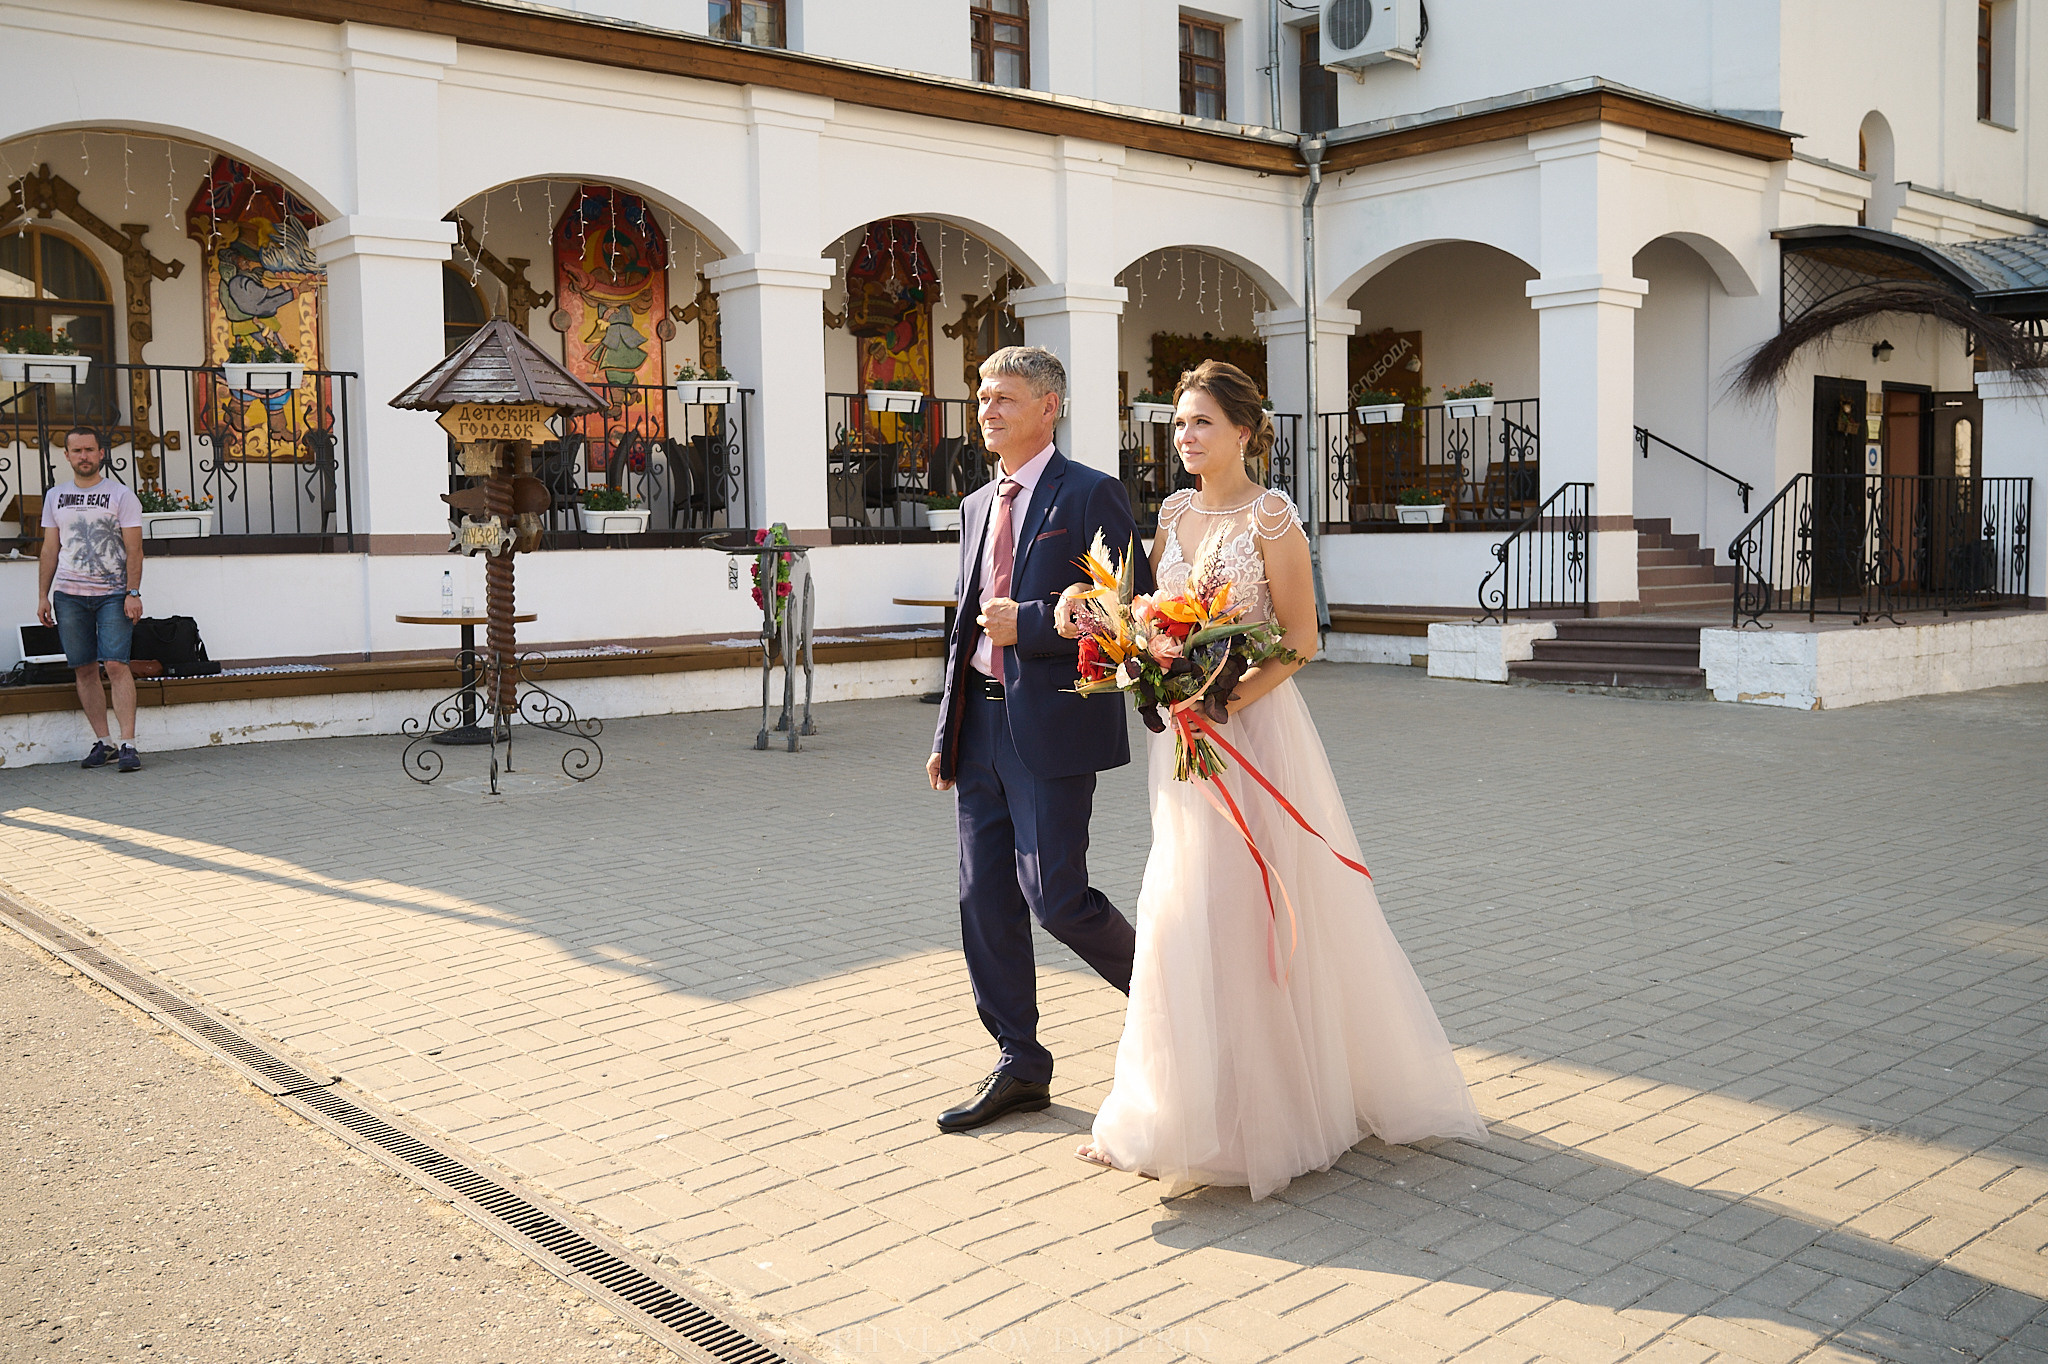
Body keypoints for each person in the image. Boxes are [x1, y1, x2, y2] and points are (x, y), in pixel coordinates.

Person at [1069, 360, 1485, 1198]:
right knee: (1179, 908)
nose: (1184, 438)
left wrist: (1224, 699)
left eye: (1201, 424)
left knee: (1242, 909)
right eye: (1178, 425)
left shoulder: (1273, 519)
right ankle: (1168, 1106)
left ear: (1244, 432)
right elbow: (1153, 617)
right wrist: (1135, 657)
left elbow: (1301, 638)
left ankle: (1272, 1113)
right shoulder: (1173, 513)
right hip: (1181, 743)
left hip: (1251, 736)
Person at [925, 346, 1157, 1133]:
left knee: (1056, 898)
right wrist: (945, 731)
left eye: (1006, 397)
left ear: (1049, 406)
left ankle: (1174, 1005)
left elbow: (1131, 608)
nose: (987, 408)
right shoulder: (974, 505)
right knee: (983, 902)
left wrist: (1026, 624)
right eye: (982, 395)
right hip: (980, 727)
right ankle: (1020, 1064)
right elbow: (962, 628)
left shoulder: (1091, 493)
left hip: (1051, 730)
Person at [37, 427, 147, 772]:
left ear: (102, 453)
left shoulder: (121, 495)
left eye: (89, 450)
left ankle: (128, 743)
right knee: (83, 668)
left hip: (114, 594)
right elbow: (49, 548)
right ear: (67, 456)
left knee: (115, 664)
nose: (83, 456)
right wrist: (43, 595)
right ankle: (105, 743)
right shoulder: (55, 496)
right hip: (69, 595)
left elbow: (135, 549)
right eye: (76, 451)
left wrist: (133, 592)